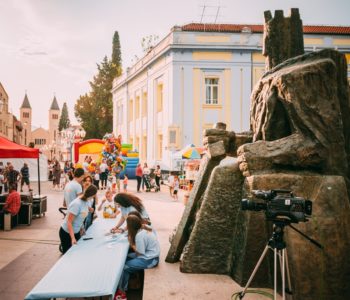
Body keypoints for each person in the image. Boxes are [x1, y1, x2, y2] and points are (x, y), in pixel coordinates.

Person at [115, 214, 160, 299]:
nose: (126, 227)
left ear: (130, 226)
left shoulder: (140, 235)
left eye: (127, 225)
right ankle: (125, 283)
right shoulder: (143, 228)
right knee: (124, 258)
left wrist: (131, 243)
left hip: (150, 260)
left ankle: (122, 292)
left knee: (124, 267)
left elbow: (140, 253)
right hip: (149, 255)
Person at [59, 185, 98, 254]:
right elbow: (69, 222)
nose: (94, 197)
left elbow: (81, 215)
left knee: (76, 253)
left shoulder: (87, 201)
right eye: (94, 195)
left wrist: (81, 228)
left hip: (76, 231)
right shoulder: (76, 204)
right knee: (68, 255)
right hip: (67, 233)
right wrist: (72, 238)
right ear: (92, 195)